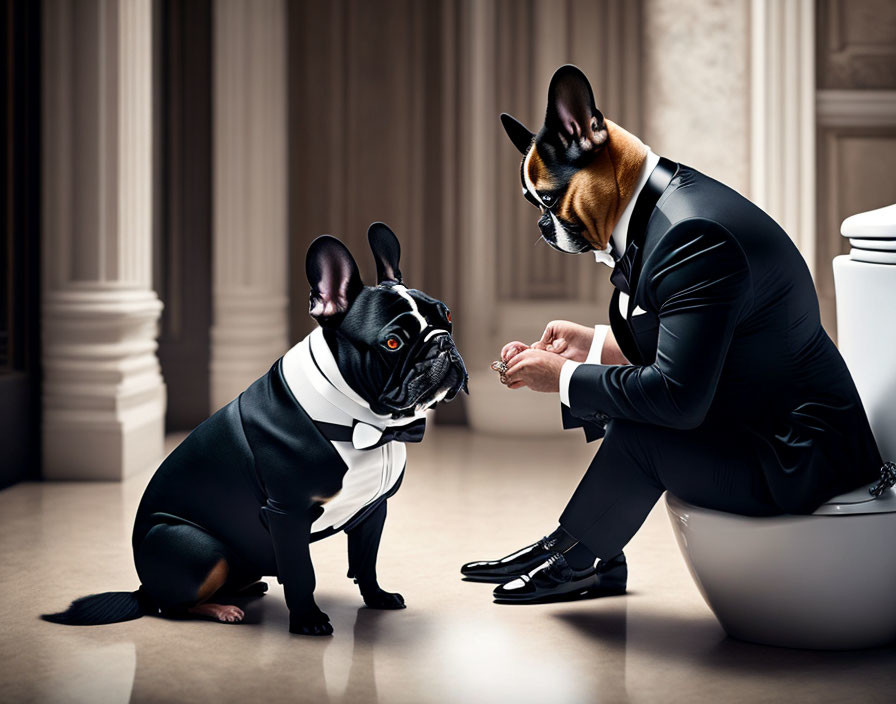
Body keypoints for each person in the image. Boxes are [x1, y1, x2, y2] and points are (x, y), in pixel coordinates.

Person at [461, 65, 883, 604]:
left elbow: (679, 399)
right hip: (756, 416)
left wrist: (564, 378)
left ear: (590, 138)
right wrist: (592, 347)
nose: (548, 221)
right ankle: (582, 545)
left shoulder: (694, 235)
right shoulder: (663, 210)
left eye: (554, 201)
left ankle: (583, 556)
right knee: (627, 400)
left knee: (647, 429)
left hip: (799, 457)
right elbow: (708, 346)